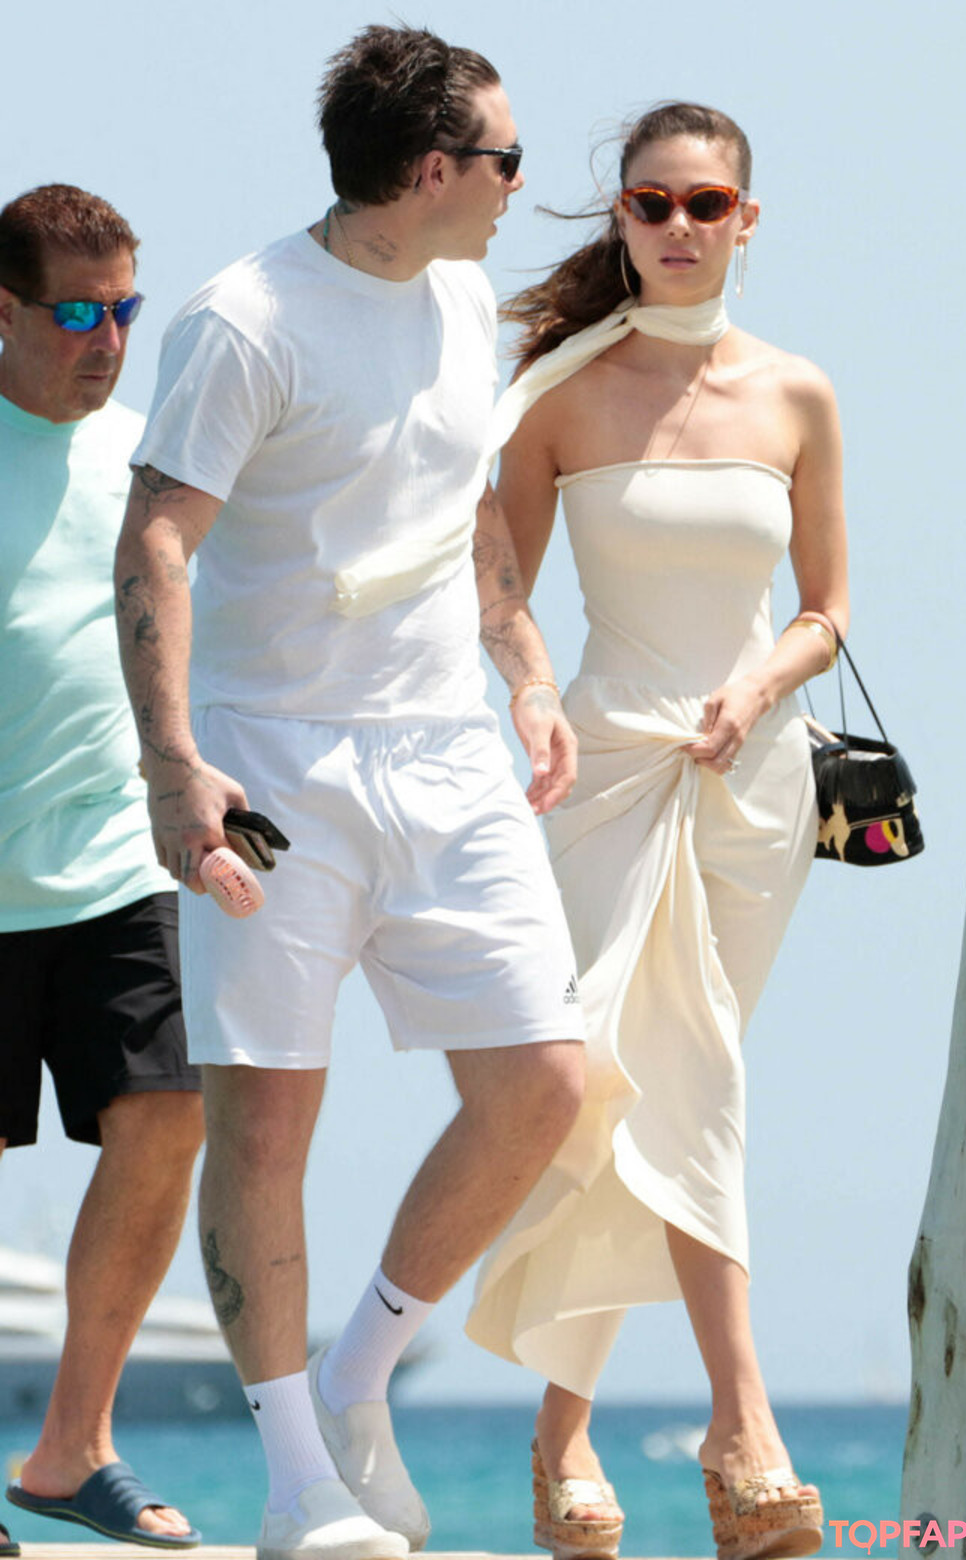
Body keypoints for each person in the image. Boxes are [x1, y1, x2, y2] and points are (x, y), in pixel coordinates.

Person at [113, 25, 586, 1560]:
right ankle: (297, 1485)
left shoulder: (461, 300)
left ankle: (358, 1374)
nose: (520, 184)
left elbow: (467, 511)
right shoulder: (243, 321)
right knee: (264, 1125)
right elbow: (157, 540)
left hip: (447, 754)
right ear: (435, 168)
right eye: (506, 158)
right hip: (275, 766)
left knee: (546, 1083)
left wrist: (525, 670)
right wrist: (175, 768)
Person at [466, 103, 850, 1560]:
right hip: (605, 775)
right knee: (624, 1088)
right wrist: (531, 694)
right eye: (650, 203)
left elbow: (829, 608)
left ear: (747, 218)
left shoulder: (797, 394)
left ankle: (569, 1436)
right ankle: (742, 1434)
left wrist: (759, 686)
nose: (678, 227)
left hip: (753, 788)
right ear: (619, 217)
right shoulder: (559, 390)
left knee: (680, 1085)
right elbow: (498, 581)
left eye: (704, 203)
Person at [0, 184, 203, 1553]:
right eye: (77, 313)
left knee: (169, 1113)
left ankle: (74, 1447)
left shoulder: (152, 464)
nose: (109, 339)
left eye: (126, 308)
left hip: (119, 860)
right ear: (5, 311)